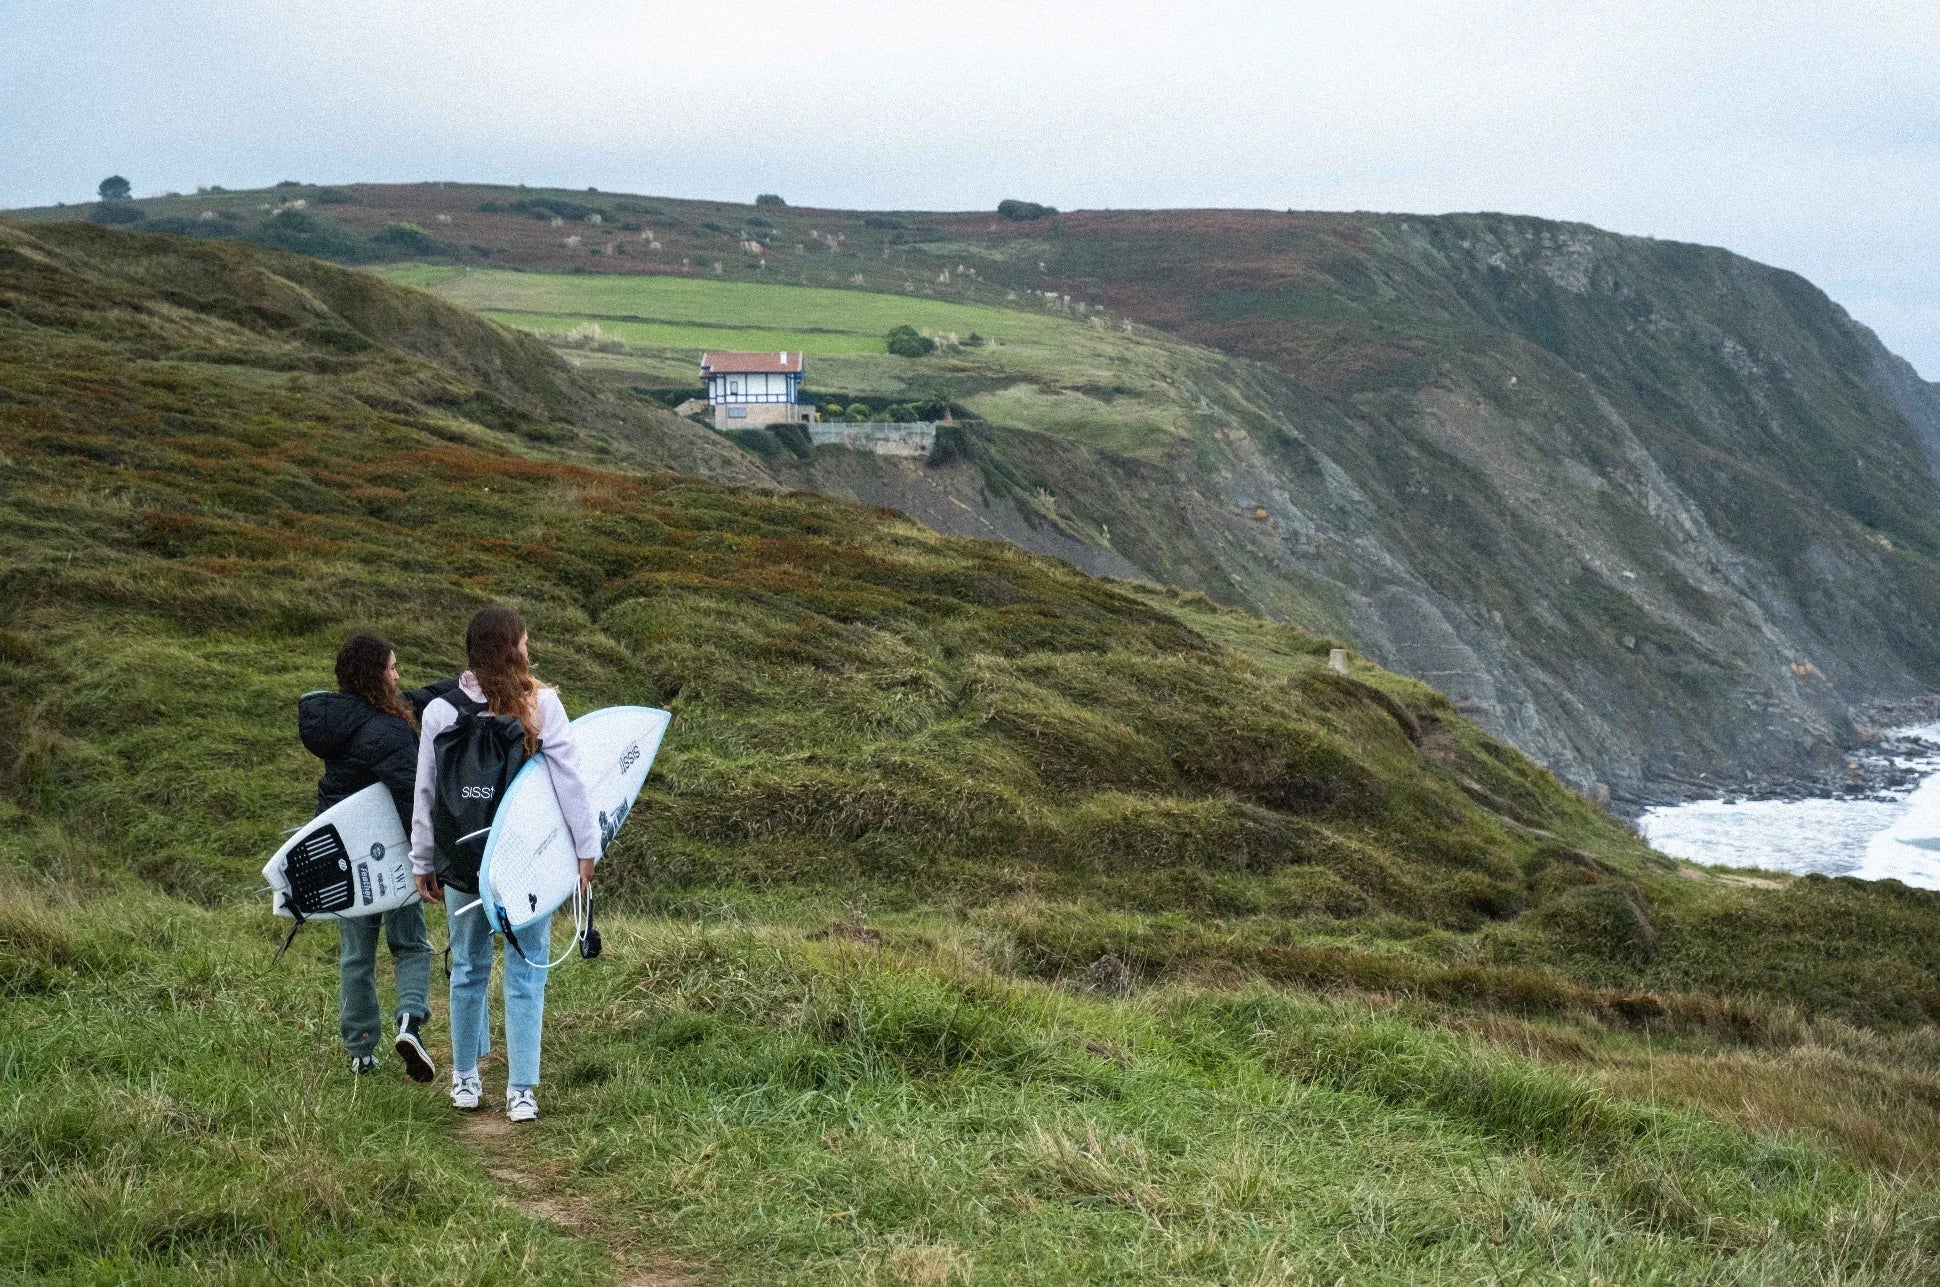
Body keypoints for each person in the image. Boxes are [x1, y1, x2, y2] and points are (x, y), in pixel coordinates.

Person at [411, 606, 600, 1123]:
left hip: (462, 859)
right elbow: (570, 783)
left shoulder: (441, 712)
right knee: (527, 967)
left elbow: (426, 794)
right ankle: (521, 1091)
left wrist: (422, 860)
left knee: (468, 966)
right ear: (514, 647)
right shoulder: (541, 706)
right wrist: (587, 850)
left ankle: (464, 1080)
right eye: (524, 641)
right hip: (526, 861)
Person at [298, 634, 439, 1081]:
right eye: (392, 668)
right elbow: (412, 798)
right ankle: (409, 1022)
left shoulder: (333, 723)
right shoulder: (390, 729)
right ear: (374, 676)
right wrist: (426, 860)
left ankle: (360, 1050)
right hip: (393, 855)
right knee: (411, 944)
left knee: (356, 955)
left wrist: (458, 683)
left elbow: (409, 701)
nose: (398, 676)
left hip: (346, 857)